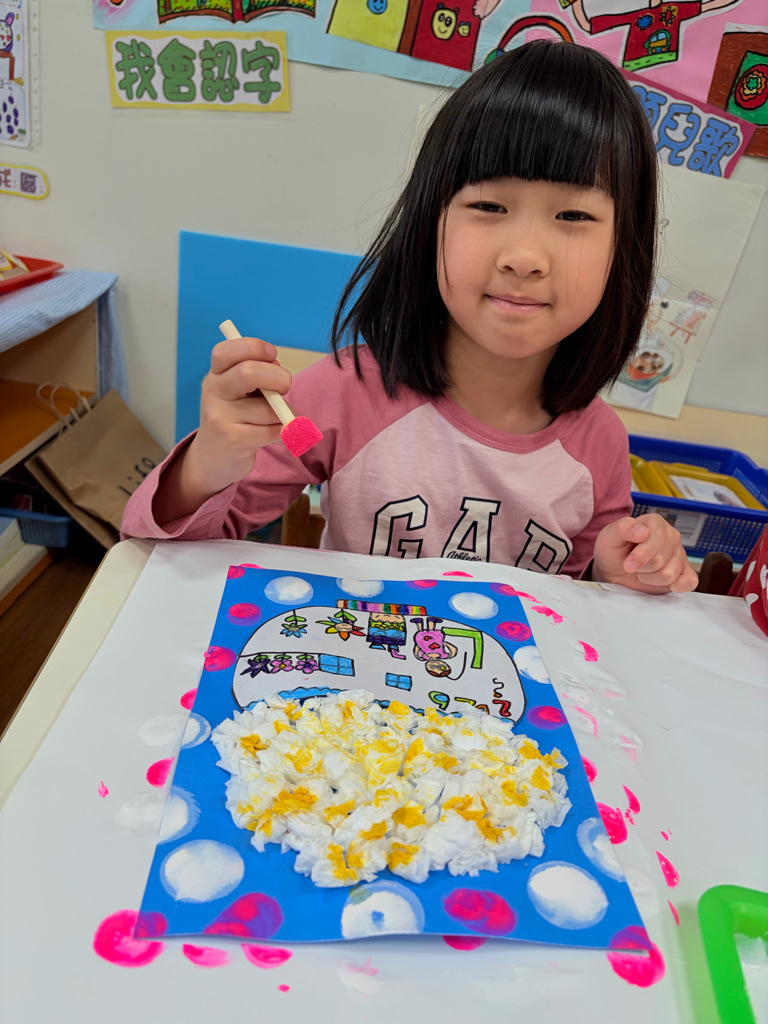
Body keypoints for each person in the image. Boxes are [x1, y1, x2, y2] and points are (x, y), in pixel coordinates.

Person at [122, 40, 697, 595]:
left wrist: (619, 573)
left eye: (573, 216)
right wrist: (204, 467)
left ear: (624, 248)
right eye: (488, 205)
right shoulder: (346, 394)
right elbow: (160, 554)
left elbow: (574, 603)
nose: (524, 257)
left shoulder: (600, 446)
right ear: (429, 224)